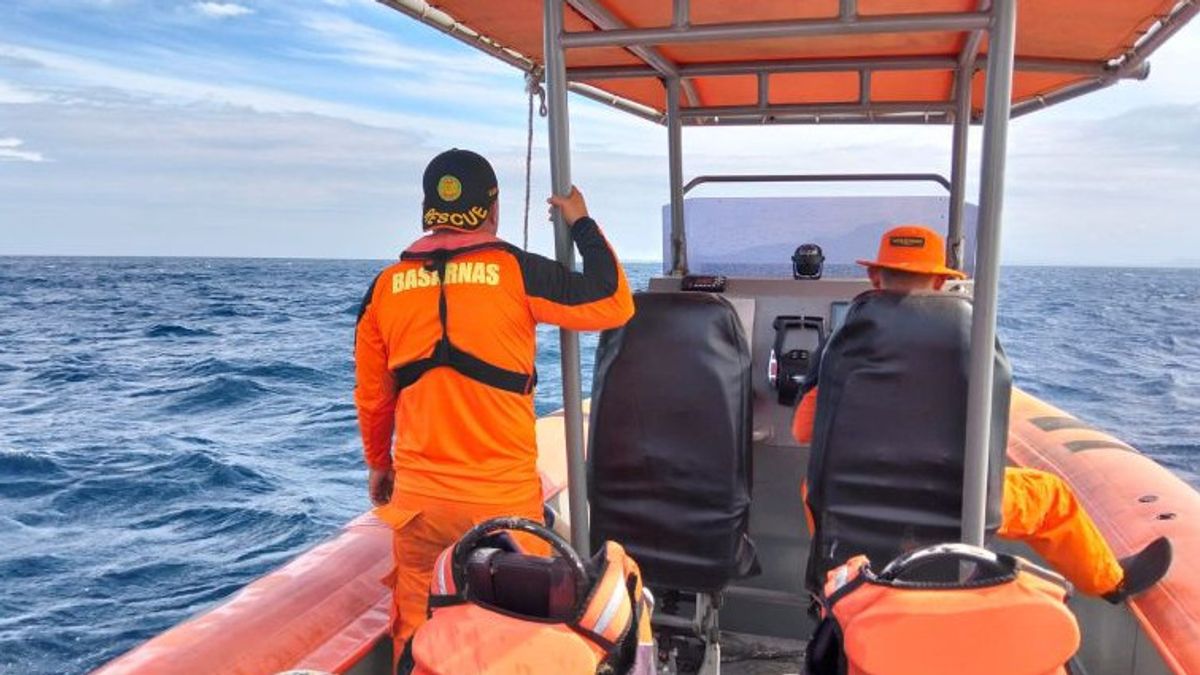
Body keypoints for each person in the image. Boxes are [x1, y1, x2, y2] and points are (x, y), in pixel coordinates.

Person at [793, 224, 1171, 603]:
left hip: (859, 502)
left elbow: (804, 431)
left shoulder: (840, 346)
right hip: (958, 501)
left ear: (875, 277)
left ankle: (834, 594)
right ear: (940, 282)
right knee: (1051, 498)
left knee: (817, 492)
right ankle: (1112, 584)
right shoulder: (969, 338)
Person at [354, 149, 635, 657]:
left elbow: (374, 400)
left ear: (427, 210)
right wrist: (581, 224)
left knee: (416, 636)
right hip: (502, 505)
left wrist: (379, 466)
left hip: (420, 506)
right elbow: (613, 301)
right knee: (511, 641)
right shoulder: (515, 272)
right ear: (492, 209)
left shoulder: (384, 289)